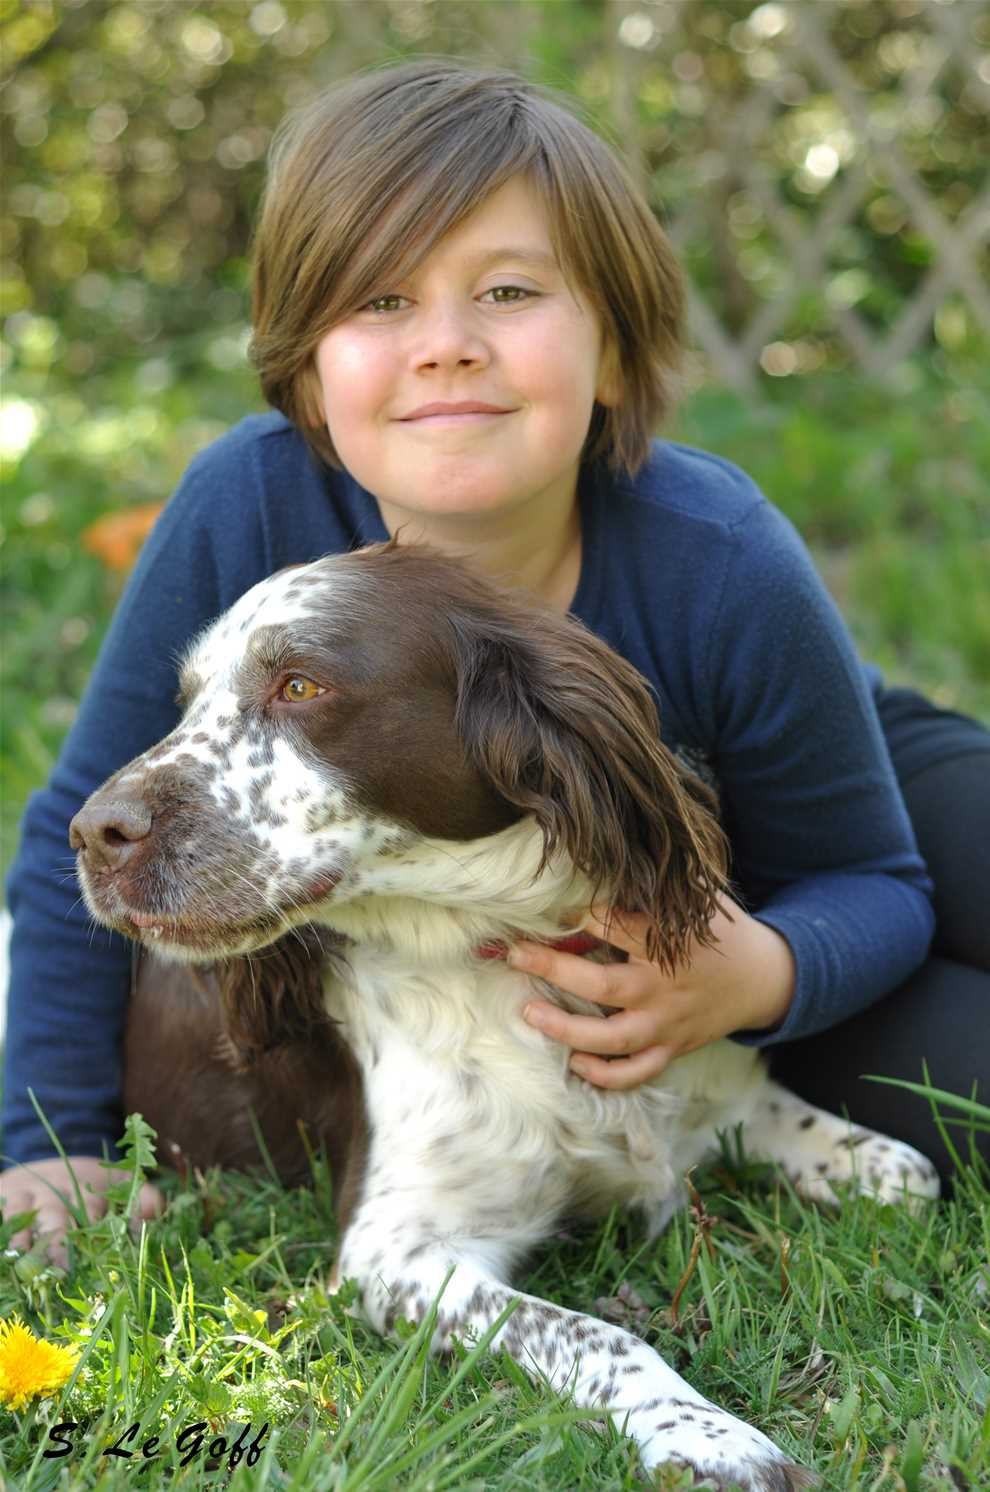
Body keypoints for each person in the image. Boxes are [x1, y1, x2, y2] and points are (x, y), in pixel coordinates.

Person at [3, 58, 988, 1266]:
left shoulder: (717, 554)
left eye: (508, 290)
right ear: (308, 370)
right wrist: (46, 1135)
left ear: (616, 356)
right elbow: (85, 831)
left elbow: (870, 873)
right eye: (380, 302)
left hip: (794, 816)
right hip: (640, 927)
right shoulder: (246, 506)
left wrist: (759, 971)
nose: (448, 347)